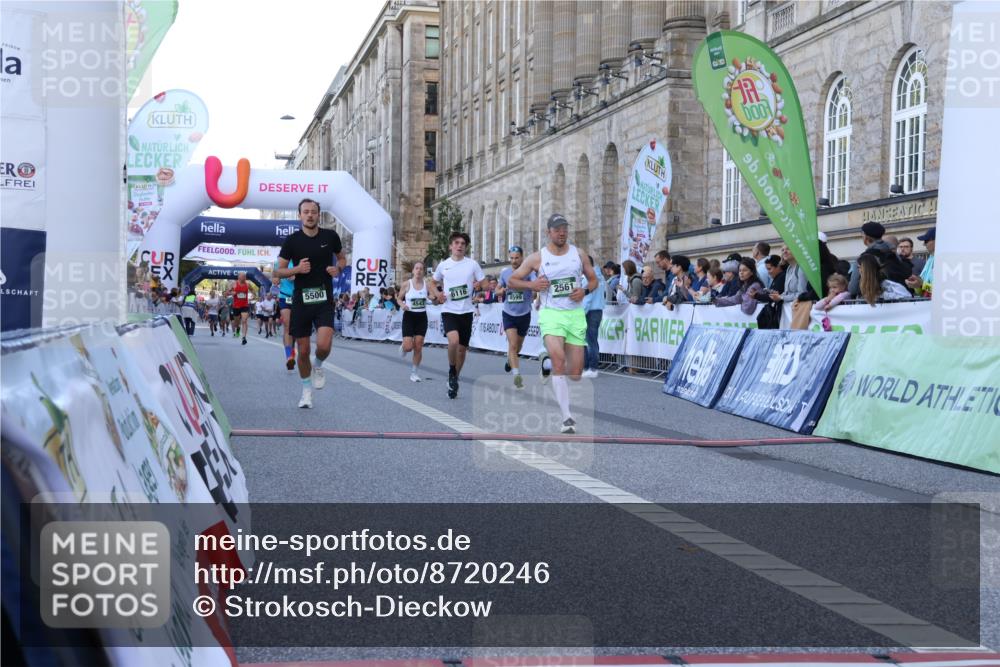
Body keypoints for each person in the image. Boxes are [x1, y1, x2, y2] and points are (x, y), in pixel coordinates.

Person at [508, 213, 598, 435]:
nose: (562, 232)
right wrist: (533, 285)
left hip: (575, 315)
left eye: (564, 228)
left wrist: (584, 290)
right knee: (560, 361)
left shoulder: (579, 254)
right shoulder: (538, 257)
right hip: (551, 314)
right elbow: (512, 280)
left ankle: (546, 364)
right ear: (549, 232)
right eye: (557, 229)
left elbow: (594, 279)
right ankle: (567, 417)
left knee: (575, 373)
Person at [275, 198, 346, 409]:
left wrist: (338, 269)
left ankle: (320, 365)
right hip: (301, 302)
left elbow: (342, 258)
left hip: (324, 298)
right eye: (305, 212)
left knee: (323, 345)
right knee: (303, 351)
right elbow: (279, 271)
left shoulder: (330, 236)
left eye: (313, 212)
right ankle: (306, 391)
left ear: (318, 215)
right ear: (300, 215)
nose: (309, 215)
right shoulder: (292, 241)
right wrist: (296, 270)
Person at [427, 232, 486, 399]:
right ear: (450, 246)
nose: (460, 246)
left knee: (462, 350)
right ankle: (452, 370)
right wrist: (437, 294)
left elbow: (484, 282)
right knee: (453, 341)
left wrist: (480, 285)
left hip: (466, 311)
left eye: (462, 243)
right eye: (456, 243)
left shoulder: (472, 264)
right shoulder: (444, 265)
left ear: (465, 247)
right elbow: (432, 282)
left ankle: (454, 379)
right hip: (449, 310)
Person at [498, 246, 535, 388]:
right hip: (509, 313)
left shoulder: (529, 272)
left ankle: (510, 361)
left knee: (518, 347)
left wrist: (527, 287)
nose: (514, 261)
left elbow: (534, 284)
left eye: (516, 258)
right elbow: (497, 289)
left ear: (522, 257)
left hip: (524, 313)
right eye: (511, 258)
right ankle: (516, 375)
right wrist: (501, 290)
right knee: (512, 344)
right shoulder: (505, 273)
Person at [848, 222, 910, 297]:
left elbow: (853, 289)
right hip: (899, 298)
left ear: (866, 237)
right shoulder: (895, 255)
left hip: (872, 302)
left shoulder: (863, 258)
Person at [399, 262, 430, 383]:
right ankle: (404, 346)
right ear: (413, 271)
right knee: (408, 347)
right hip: (409, 316)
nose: (419, 271)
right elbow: (398, 298)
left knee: (418, 345)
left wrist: (434, 298)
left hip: (422, 317)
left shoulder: (426, 285)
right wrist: (402, 305)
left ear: (423, 272)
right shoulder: (407, 284)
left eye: (421, 269)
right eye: (417, 268)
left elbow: (433, 297)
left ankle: (414, 373)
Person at [582, 254, 606, 379]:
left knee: (589, 340)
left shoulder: (589, 278)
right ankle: (589, 367)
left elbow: (587, 298)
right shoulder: (600, 276)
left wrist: (581, 313)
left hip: (589, 311)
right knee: (591, 339)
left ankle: (591, 368)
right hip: (597, 309)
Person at [905, 227, 935, 297]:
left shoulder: (943, 261)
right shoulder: (931, 259)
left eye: (926, 241)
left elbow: (940, 291)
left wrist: (922, 284)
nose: (924, 244)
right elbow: (922, 292)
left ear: (936, 241)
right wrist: (916, 285)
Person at [230, 272, 252, 345]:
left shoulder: (248, 284)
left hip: (244, 305)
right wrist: (231, 293)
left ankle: (244, 337)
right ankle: (238, 329)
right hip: (236, 306)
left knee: (244, 320)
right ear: (239, 277)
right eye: (243, 276)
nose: (244, 278)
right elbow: (227, 292)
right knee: (236, 323)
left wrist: (254, 296)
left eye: (245, 276)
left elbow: (253, 291)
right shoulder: (234, 284)